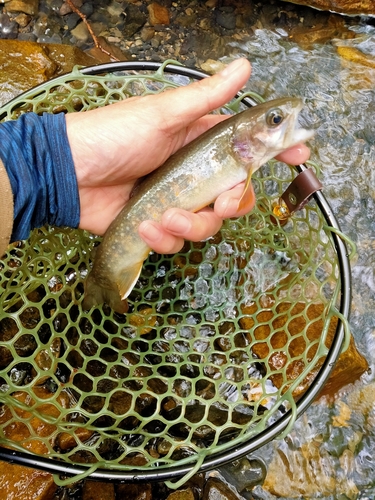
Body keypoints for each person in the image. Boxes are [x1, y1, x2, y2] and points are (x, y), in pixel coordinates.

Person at [0, 58, 310, 258]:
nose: (282, 122)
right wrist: (46, 165)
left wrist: (49, 167)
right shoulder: (242, 152)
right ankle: (106, 274)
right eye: (275, 120)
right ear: (244, 140)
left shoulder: (245, 152)